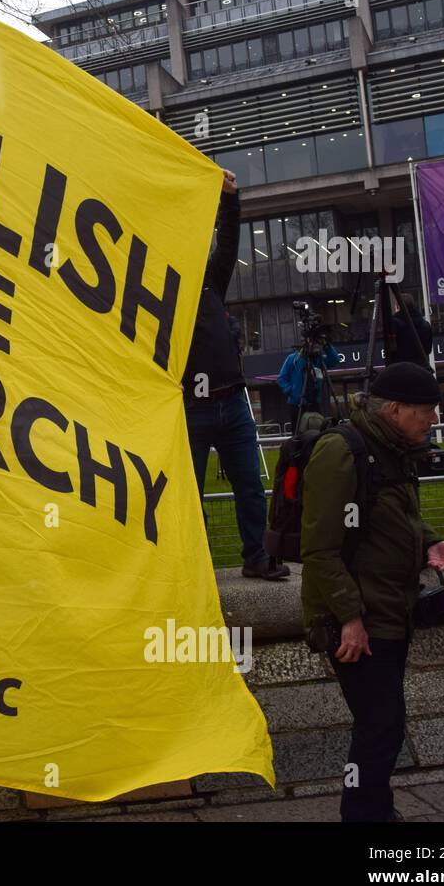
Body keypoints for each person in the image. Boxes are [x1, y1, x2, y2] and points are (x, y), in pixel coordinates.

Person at [300, 362, 444, 821]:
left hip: (391, 611)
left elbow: (394, 517)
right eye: (426, 411)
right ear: (395, 409)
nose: (434, 420)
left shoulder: (391, 447)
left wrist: (429, 540)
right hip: (360, 619)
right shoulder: (342, 451)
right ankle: (363, 815)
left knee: (382, 727)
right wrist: (351, 619)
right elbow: (318, 550)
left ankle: (376, 811)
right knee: (380, 726)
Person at [183, 168, 289, 581]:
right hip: (191, 408)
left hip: (232, 403)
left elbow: (226, 242)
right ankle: (196, 569)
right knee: (192, 497)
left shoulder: (210, 282)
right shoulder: (158, 295)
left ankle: (257, 557)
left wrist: (229, 199)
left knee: (249, 487)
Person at [277, 340, 342, 430]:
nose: (316, 345)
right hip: (297, 404)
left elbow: (335, 360)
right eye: (313, 342)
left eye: (317, 343)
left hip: (315, 403)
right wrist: (292, 391)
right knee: (298, 434)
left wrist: (326, 344)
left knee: (318, 430)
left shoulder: (319, 359)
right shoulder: (293, 358)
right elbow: (281, 378)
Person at [389, 294, 433, 370]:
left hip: (401, 369)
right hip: (421, 369)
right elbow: (428, 349)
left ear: (398, 307)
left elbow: (391, 349)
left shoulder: (394, 324)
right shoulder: (425, 325)